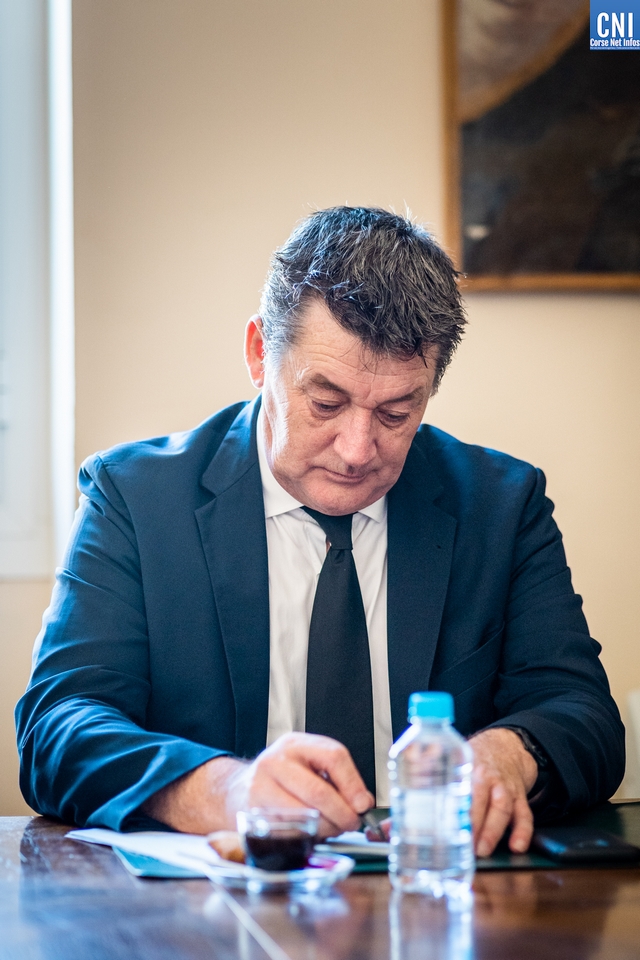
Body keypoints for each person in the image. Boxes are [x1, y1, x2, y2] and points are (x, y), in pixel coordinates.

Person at [16, 207, 624, 858]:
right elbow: (59, 726)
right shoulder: (136, 499)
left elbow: (582, 713)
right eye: (326, 402)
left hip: (434, 885)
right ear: (260, 354)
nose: (357, 450)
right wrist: (223, 789)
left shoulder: (501, 507)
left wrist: (509, 755)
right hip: (217, 900)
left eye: (396, 413)